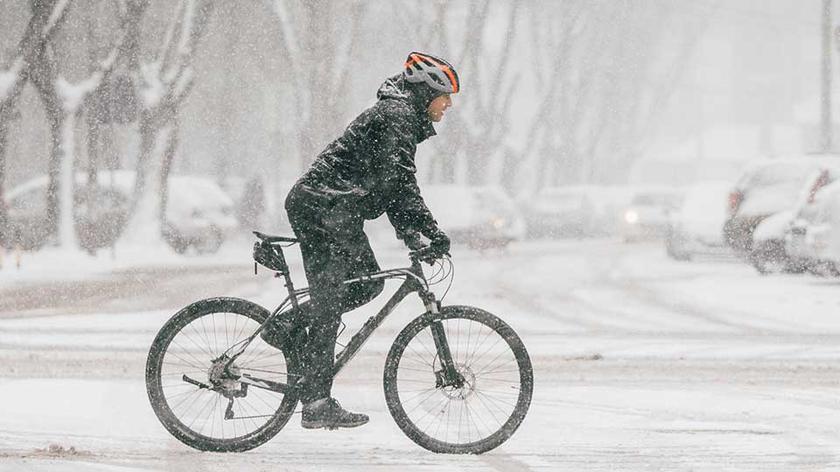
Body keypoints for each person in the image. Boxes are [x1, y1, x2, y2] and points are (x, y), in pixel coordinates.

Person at [261, 52, 460, 430]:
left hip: (335, 208)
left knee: (366, 286)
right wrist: (428, 232)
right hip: (323, 207)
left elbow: (392, 185)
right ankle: (317, 402)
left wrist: (412, 232)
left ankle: (288, 328)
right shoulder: (396, 117)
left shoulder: (400, 116)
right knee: (332, 298)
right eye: (445, 95)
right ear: (427, 91)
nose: (449, 104)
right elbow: (398, 183)